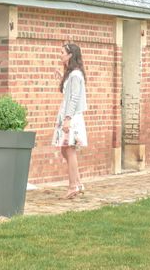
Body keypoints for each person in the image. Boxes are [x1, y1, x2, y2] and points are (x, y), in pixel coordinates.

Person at [52, 42, 88, 199]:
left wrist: (67, 119)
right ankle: (77, 183)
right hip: (69, 116)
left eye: (62, 52)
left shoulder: (74, 75)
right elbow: (71, 93)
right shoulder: (72, 74)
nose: (60, 55)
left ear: (70, 55)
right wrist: (62, 78)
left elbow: (74, 99)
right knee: (65, 150)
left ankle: (73, 186)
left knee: (69, 150)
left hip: (71, 117)